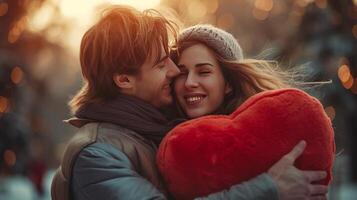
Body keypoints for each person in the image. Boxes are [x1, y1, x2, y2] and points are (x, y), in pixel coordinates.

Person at [51, 6, 327, 200]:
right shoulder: (96, 153)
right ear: (124, 80)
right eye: (162, 65)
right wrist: (268, 189)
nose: (175, 73)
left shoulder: (155, 133)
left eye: (203, 71)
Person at [171, 24, 330, 199]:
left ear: (229, 83)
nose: (189, 82)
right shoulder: (160, 140)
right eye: (181, 73)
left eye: (204, 72)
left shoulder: (266, 138)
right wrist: (268, 188)